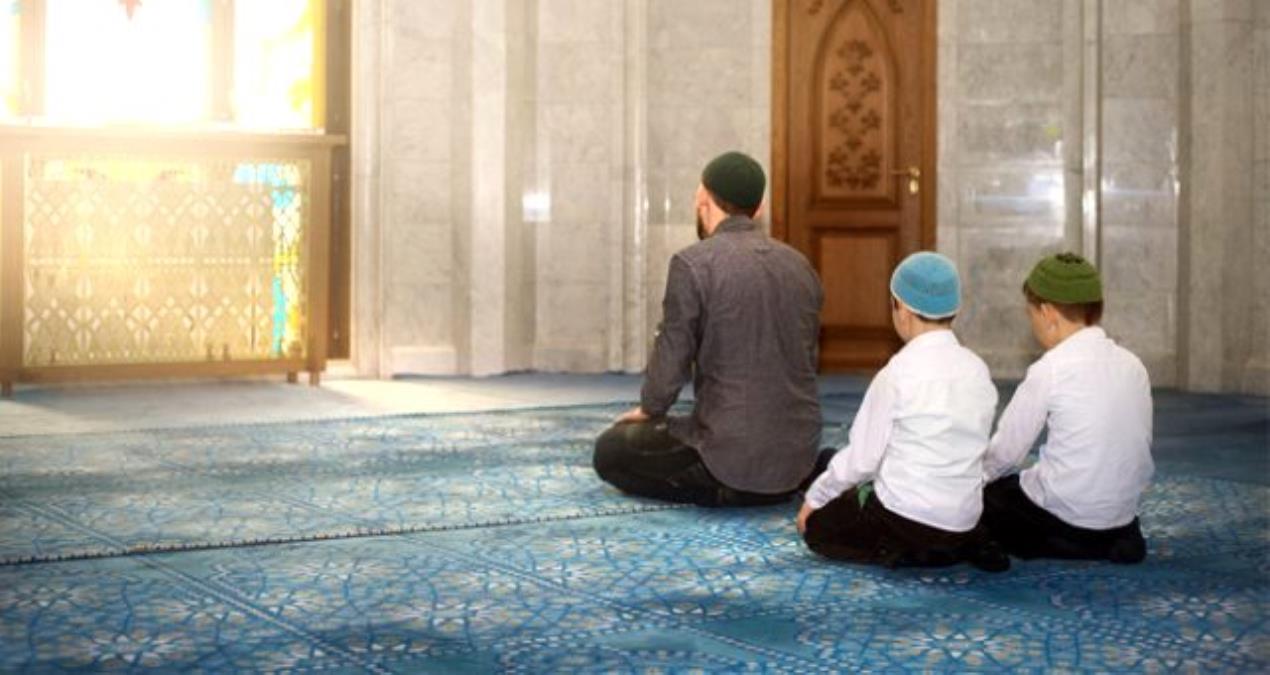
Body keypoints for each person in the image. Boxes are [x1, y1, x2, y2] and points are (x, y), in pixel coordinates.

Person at [592, 151, 824, 507]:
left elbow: (672, 357)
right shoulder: (801, 266)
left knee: (611, 450)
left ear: (702, 200)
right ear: (758, 208)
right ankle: (806, 472)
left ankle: (725, 489)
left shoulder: (692, 264)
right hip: (797, 455)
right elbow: (807, 360)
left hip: (728, 458)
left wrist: (649, 410)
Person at [797, 252, 1009, 572]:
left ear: (903, 310)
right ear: (954, 310)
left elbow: (863, 459)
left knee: (820, 529)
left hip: (903, 519)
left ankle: (906, 550)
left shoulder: (897, 373)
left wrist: (815, 499)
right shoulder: (978, 369)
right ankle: (961, 546)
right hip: (963, 520)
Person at [980, 252, 1153, 564]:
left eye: (1030, 313)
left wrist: (970, 484)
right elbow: (1137, 451)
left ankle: (1065, 543)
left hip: (1064, 524)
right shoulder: (1134, 366)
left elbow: (1005, 455)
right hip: (1121, 522)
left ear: (1047, 312)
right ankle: (1114, 541)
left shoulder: (1051, 369)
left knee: (990, 497)